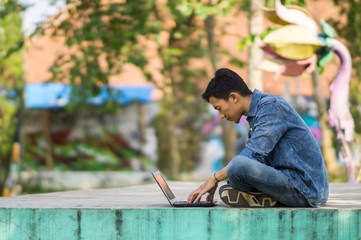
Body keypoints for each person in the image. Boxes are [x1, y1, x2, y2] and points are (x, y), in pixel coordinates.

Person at [187, 68, 329, 207]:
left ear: (233, 97)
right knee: (235, 175)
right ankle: (263, 197)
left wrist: (214, 178)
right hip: (291, 183)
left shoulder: (271, 107)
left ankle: (264, 196)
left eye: (219, 108)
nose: (222, 116)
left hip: (305, 189)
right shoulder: (257, 113)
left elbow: (251, 156)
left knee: (237, 167)